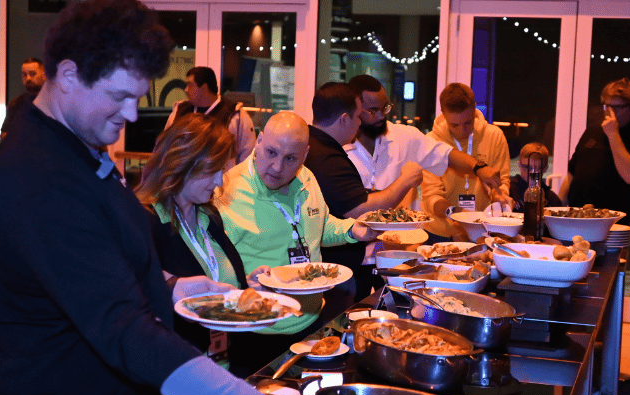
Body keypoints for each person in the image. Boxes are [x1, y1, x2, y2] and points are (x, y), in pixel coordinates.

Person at [0, 1, 267, 395]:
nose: (131, 113)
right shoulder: (37, 178)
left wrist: (171, 287)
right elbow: (121, 325)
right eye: (119, 95)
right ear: (70, 74)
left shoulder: (72, 146)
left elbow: (90, 262)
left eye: (138, 96)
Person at [213, 110, 378, 377]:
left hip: (309, 321)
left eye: (290, 158)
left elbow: (320, 228)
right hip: (255, 331)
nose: (278, 167)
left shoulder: (308, 179)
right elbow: (212, 270)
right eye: (271, 152)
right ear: (259, 140)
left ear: (305, 154)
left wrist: (352, 230)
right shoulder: (227, 191)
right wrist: (243, 282)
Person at [136, 113, 260, 364]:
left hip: (226, 365)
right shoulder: (144, 221)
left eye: (222, 169)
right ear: (181, 163)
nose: (219, 181)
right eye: (212, 171)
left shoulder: (209, 214)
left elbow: (210, 280)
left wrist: (244, 284)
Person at [304, 81, 423, 302]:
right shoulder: (327, 157)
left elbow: (340, 201)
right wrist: (405, 181)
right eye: (358, 116)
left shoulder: (315, 145)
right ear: (344, 119)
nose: (360, 124)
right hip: (335, 270)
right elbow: (359, 209)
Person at [345, 75, 502, 210]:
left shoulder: (404, 135)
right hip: (352, 240)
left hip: (401, 241)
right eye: (373, 111)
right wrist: (406, 181)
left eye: (385, 108)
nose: (381, 116)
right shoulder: (338, 146)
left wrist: (478, 167)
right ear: (354, 108)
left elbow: (447, 156)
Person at [422, 83, 512, 242]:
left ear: (474, 109)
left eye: (468, 123)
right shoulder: (431, 142)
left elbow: (502, 181)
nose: (461, 131)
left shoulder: (495, 136)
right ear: (443, 114)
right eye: (454, 125)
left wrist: (500, 195)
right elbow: (431, 197)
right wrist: (457, 213)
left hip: (483, 229)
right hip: (440, 233)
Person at [559, 78, 630, 226]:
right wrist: (560, 203)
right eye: (607, 105)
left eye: (617, 107)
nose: (610, 111)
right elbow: (572, 172)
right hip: (576, 215)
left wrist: (613, 134)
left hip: (612, 221)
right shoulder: (592, 131)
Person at [164, 66, 255, 168]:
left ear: (204, 87)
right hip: (183, 180)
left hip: (222, 181)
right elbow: (164, 147)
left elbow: (248, 156)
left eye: (190, 85)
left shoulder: (236, 116)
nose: (186, 90)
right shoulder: (179, 112)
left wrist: (238, 181)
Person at [509, 142, 563, 213]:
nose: (532, 172)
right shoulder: (508, 191)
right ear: (520, 165)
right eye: (527, 167)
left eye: (538, 168)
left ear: (545, 168)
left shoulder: (552, 199)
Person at [1, 57, 46, 134]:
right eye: (24, 75)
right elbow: (5, 134)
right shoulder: (16, 104)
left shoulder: (56, 102)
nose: (28, 78)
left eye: (32, 74)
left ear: (44, 75)